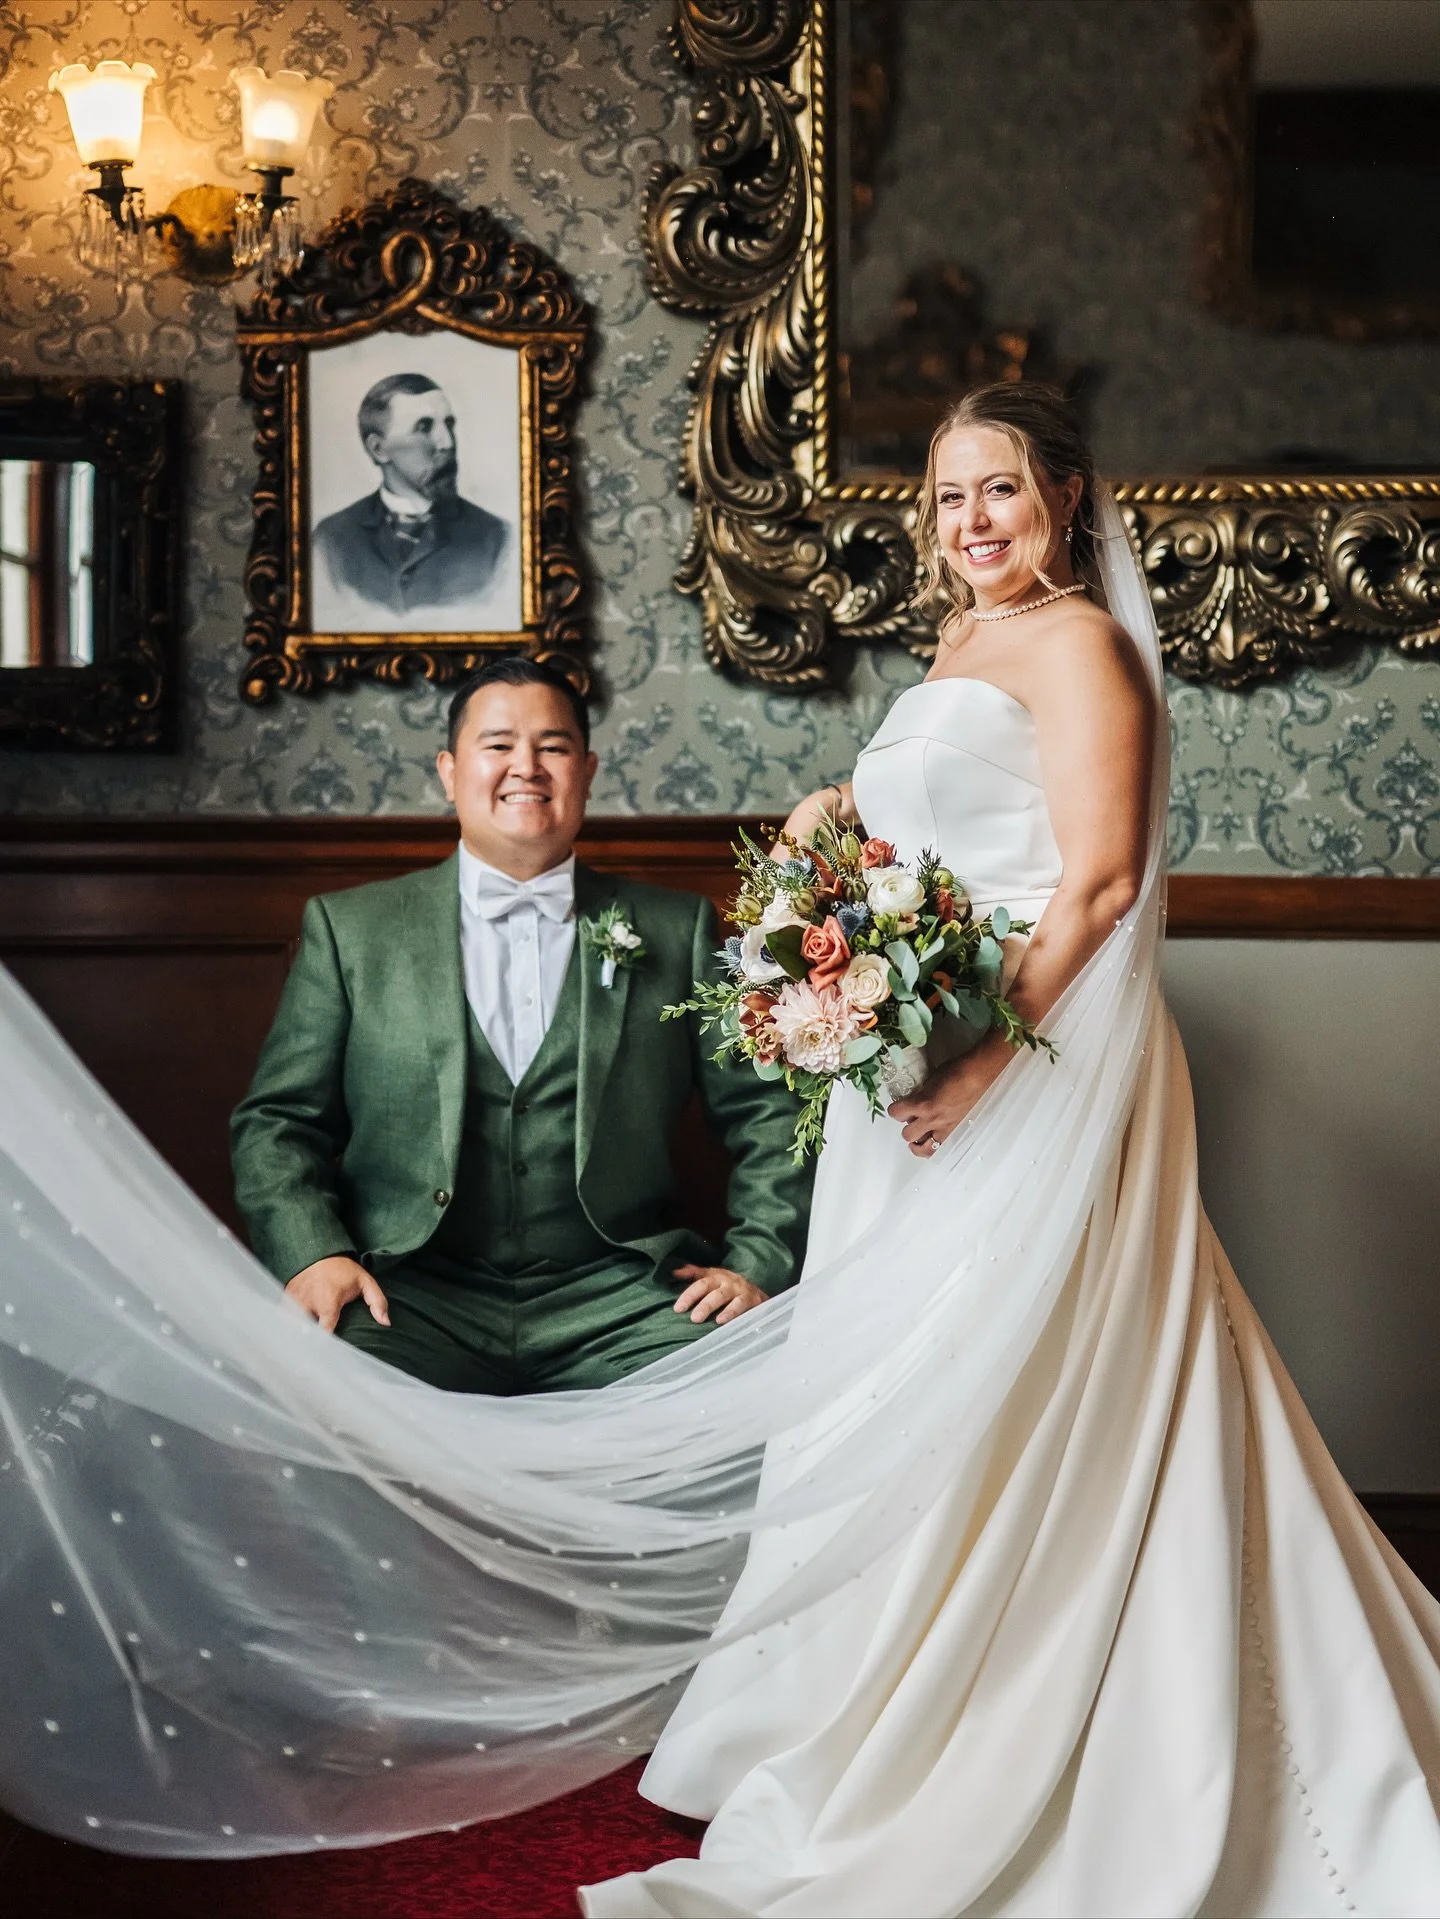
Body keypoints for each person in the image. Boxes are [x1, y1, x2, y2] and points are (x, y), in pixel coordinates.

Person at [579, 384, 1440, 1914]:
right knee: (902, 1389)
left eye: (1001, 490)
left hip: (1033, 1065)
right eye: (948, 497)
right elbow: (951, 832)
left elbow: (1098, 882)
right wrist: (836, 845)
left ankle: (1056, 1716)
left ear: (1067, 499)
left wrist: (978, 1067)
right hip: (915, 1063)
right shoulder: (960, 646)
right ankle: (885, 1703)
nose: (971, 521)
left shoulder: (1085, 645)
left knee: (1045, 1382)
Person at [230, 655, 814, 1392]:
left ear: (588, 770)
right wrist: (315, 1253)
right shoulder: (351, 930)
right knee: (325, 1380)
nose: (527, 767)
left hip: (617, 1298)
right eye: (499, 745)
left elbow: (770, 1113)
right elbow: (277, 1121)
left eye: (555, 747)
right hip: (409, 1294)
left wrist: (755, 1262)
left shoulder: (677, 928)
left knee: (730, 1383)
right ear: (449, 770)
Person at [311, 372, 509, 623]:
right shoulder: (330, 540)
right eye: (424, 427)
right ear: (379, 449)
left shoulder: (497, 539)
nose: (446, 443)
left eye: (448, 424)